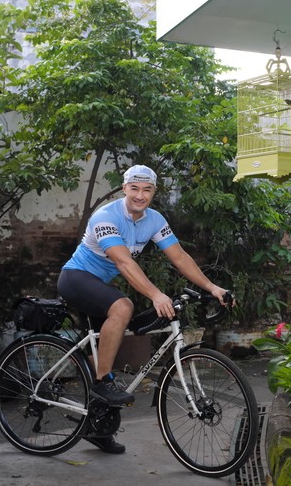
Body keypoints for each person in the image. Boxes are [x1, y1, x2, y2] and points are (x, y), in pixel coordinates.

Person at [57, 165, 231, 454]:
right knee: (124, 306)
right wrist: (155, 294)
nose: (140, 195)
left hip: (99, 284)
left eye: (147, 189)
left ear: (153, 192)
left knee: (110, 341)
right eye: (134, 188)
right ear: (124, 188)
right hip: (75, 278)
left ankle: (98, 427)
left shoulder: (154, 220)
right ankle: (101, 383)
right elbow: (125, 263)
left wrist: (213, 288)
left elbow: (179, 256)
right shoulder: (105, 218)